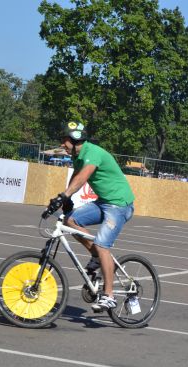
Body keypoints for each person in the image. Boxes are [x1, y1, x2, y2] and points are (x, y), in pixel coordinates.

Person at [44, 121, 135, 311]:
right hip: (104, 202)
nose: (62, 145)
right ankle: (95, 255)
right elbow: (75, 176)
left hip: (119, 205)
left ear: (75, 140)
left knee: (103, 244)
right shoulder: (78, 156)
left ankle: (109, 296)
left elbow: (82, 177)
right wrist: (66, 200)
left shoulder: (92, 152)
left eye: (64, 141)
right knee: (70, 220)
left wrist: (64, 195)